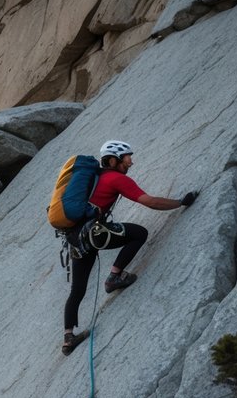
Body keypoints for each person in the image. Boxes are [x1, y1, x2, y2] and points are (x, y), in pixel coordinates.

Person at [62, 140, 199, 355]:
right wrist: (180, 202)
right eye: (127, 157)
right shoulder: (115, 178)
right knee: (139, 233)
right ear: (114, 160)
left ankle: (68, 337)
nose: (131, 162)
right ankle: (114, 277)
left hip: (76, 239)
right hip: (94, 234)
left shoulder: (95, 177)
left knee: (77, 289)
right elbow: (150, 202)